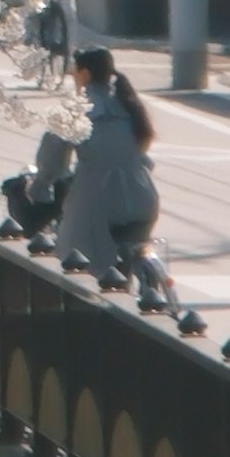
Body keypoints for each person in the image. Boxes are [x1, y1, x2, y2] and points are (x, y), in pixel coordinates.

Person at [59, 54, 160, 290]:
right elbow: (141, 157)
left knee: (85, 267)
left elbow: (52, 163)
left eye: (74, 72)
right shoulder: (129, 106)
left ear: (84, 75)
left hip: (101, 205)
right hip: (144, 201)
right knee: (128, 252)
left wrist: (42, 186)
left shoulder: (76, 111)